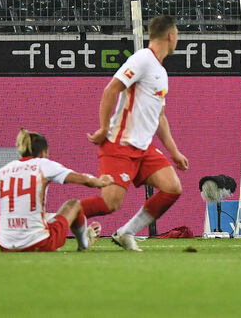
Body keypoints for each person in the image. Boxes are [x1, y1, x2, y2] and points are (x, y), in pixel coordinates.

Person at [81, 15, 189, 252]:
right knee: (110, 204)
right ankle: (62, 216)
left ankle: (125, 232)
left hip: (144, 148)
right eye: (177, 35)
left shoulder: (161, 71)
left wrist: (174, 152)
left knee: (172, 187)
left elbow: (159, 117)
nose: (177, 39)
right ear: (171, 35)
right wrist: (104, 127)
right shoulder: (141, 59)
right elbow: (111, 89)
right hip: (121, 144)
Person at [0, 129, 113, 252]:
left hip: (5, 245)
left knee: (45, 216)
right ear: (44, 152)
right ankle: (84, 245)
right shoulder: (43, 164)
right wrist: (101, 182)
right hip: (39, 243)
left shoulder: (3, 170)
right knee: (74, 205)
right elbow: (84, 179)